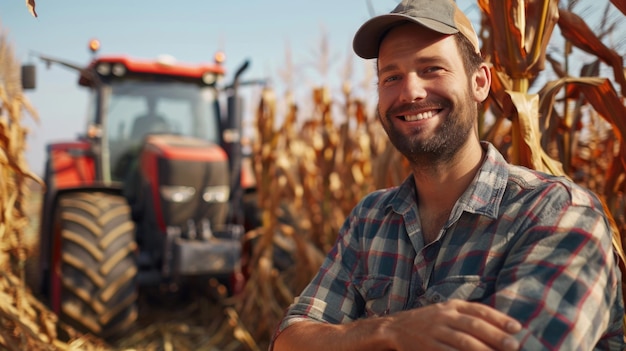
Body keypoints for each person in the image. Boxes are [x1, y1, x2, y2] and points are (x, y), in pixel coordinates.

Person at [270, 0, 625, 350]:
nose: (410, 92)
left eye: (432, 69)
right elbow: (290, 340)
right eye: (391, 76)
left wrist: (346, 339)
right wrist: (389, 331)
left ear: (480, 82)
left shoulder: (559, 214)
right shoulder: (370, 219)